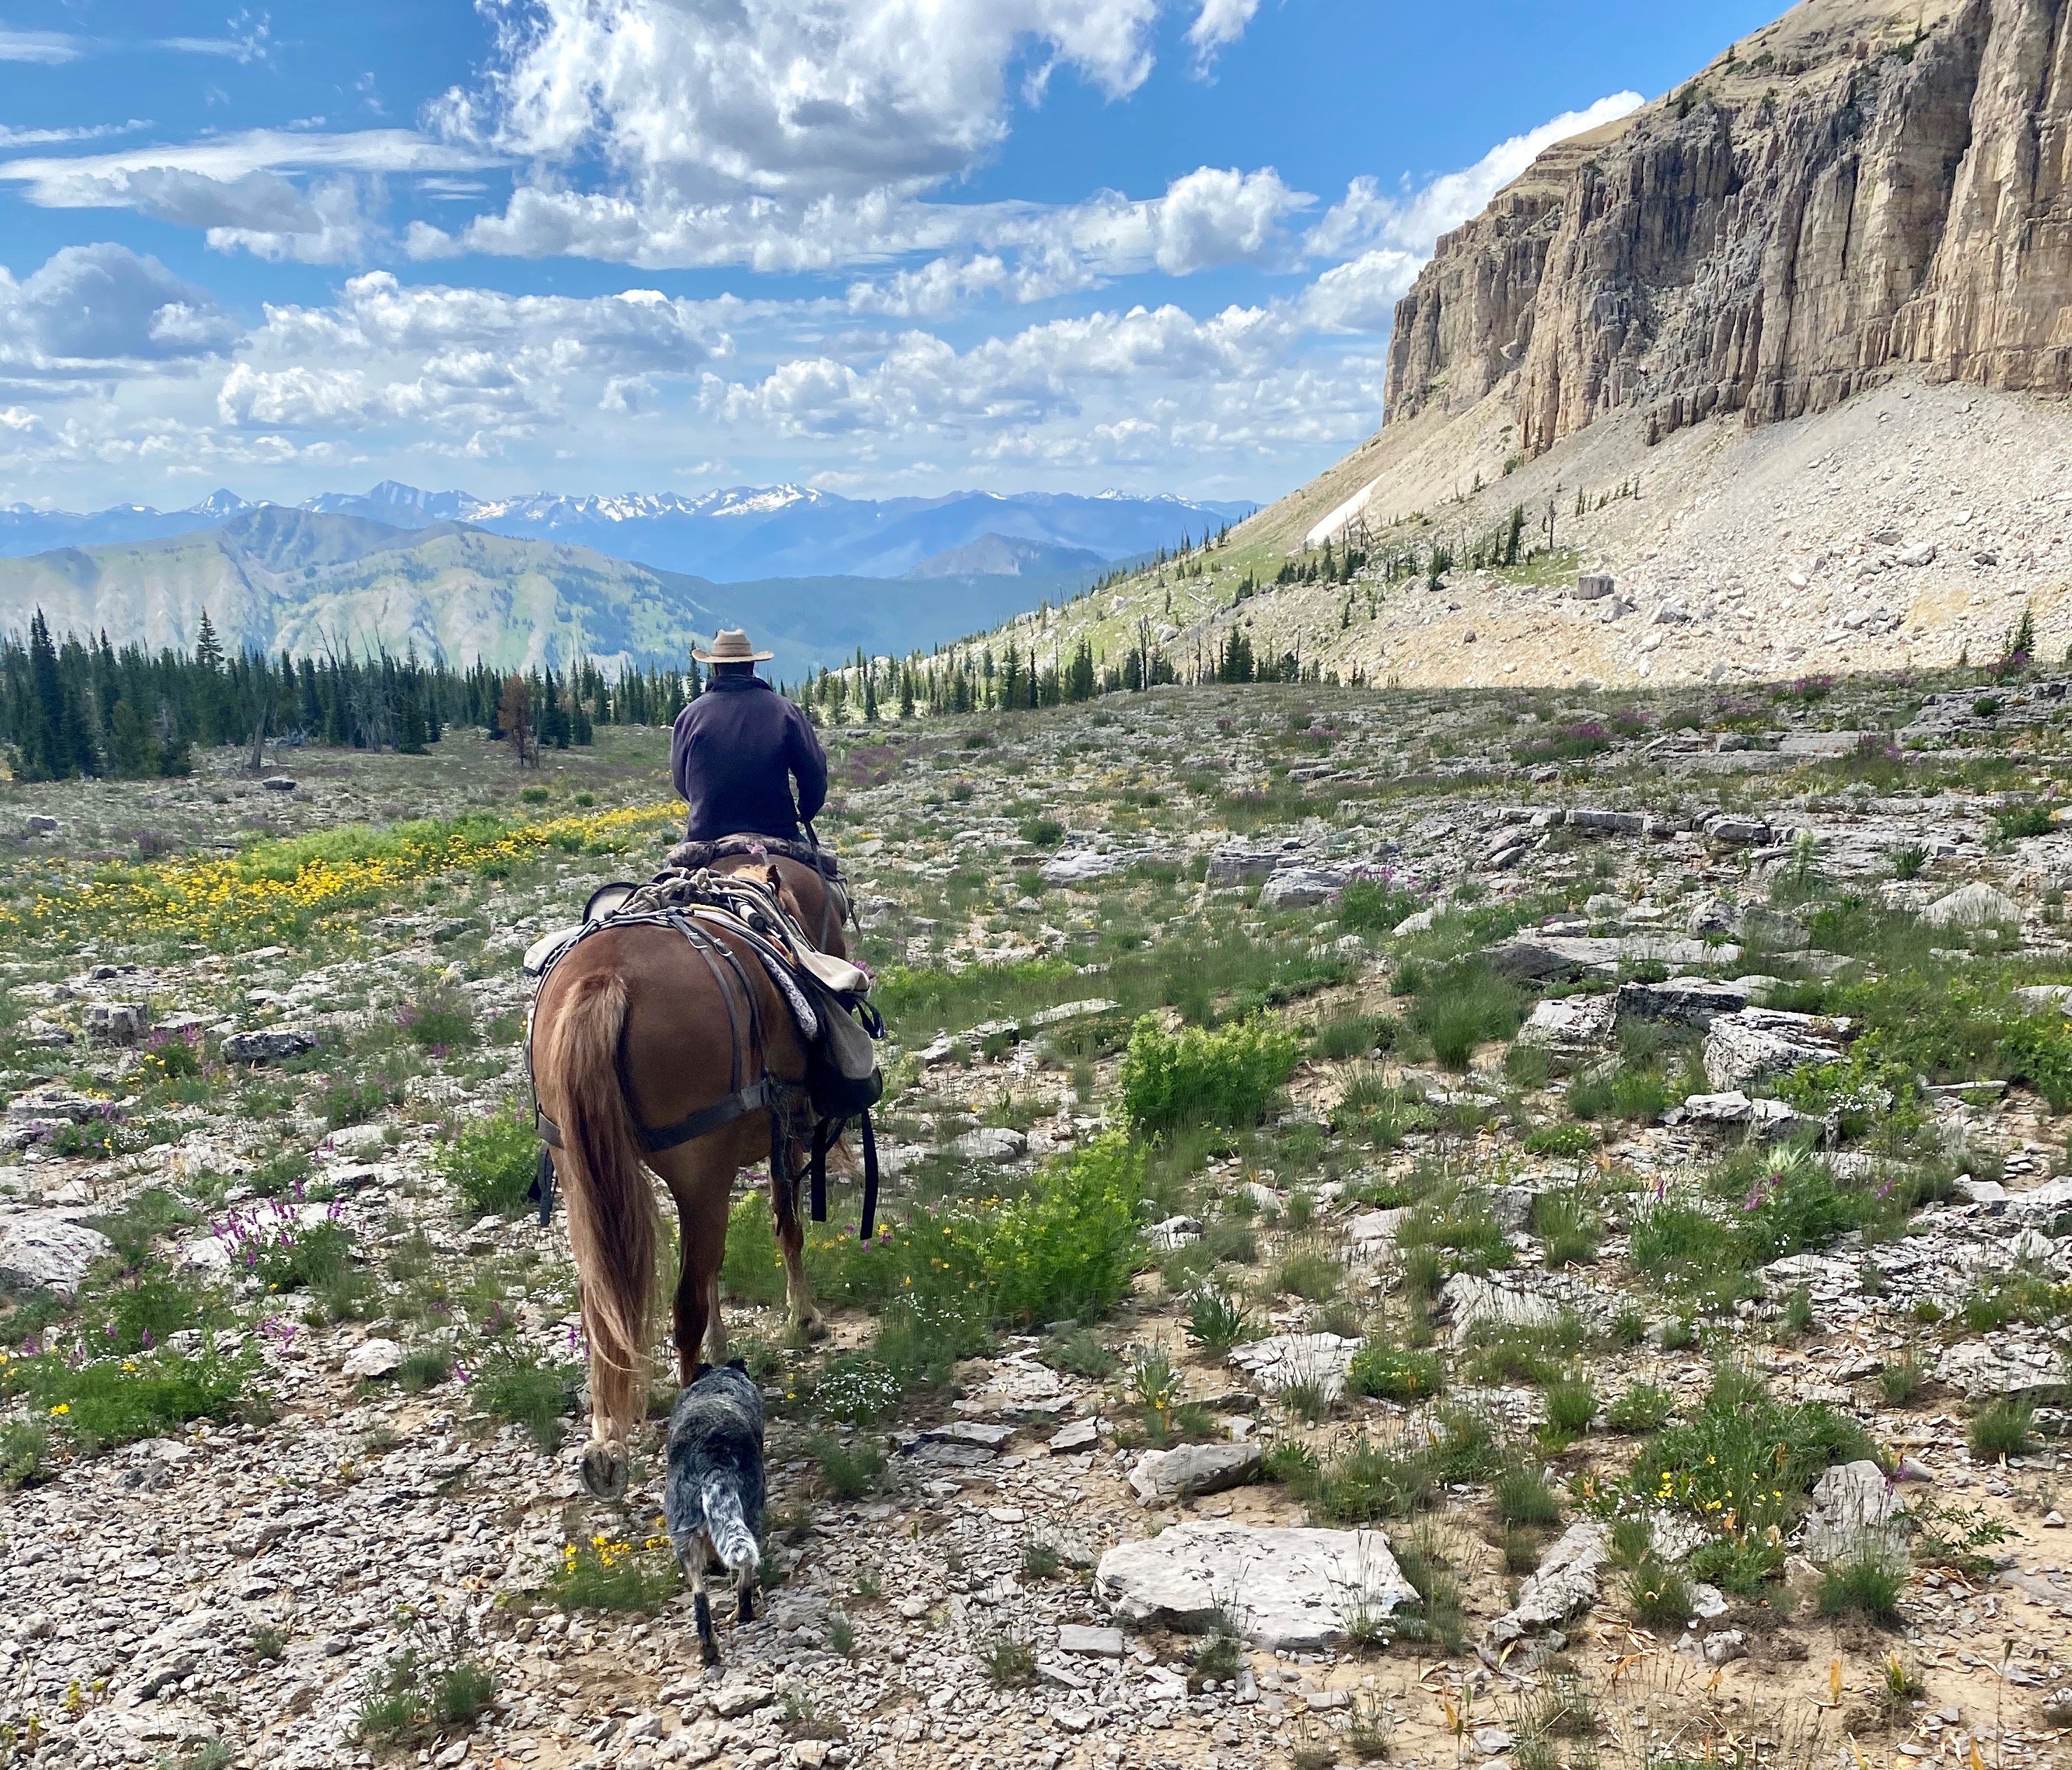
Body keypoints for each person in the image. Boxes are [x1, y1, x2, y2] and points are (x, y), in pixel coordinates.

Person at [671, 629, 828, 843]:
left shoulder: (690, 716)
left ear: (716, 668)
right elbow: (814, 773)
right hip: (778, 830)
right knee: (827, 874)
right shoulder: (785, 711)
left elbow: (682, 782)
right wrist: (807, 810)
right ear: (751, 666)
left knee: (667, 875)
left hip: (706, 833)